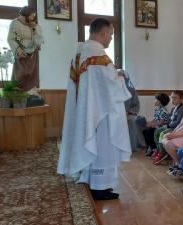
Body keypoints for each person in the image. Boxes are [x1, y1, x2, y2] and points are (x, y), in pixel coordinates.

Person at [57, 18, 130, 200]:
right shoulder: (99, 56)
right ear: (102, 33)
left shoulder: (79, 54)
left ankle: (90, 178)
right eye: (111, 35)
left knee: (89, 142)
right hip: (100, 113)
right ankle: (99, 186)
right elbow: (108, 87)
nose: (111, 39)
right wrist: (119, 78)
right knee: (103, 146)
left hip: (84, 111)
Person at [7, 6, 43, 91]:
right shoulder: (15, 23)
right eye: (31, 16)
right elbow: (11, 38)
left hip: (33, 54)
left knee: (32, 74)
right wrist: (17, 49)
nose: (32, 18)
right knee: (21, 74)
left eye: (33, 16)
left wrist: (34, 28)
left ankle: (31, 91)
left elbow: (39, 39)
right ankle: (19, 92)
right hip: (21, 53)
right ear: (25, 15)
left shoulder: (33, 24)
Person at [152, 91, 183, 164]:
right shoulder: (174, 108)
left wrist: (169, 125)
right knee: (157, 131)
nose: (173, 100)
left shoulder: (182, 110)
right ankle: (159, 150)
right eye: (172, 98)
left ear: (181, 99)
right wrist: (167, 121)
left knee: (162, 133)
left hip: (176, 129)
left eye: (175, 98)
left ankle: (162, 153)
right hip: (171, 126)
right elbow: (170, 118)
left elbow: (178, 122)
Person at [118, 69, 144, 152]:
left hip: (128, 114)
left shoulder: (131, 90)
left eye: (122, 77)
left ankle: (131, 147)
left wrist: (128, 112)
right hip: (115, 114)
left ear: (126, 79)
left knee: (131, 121)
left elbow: (136, 105)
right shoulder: (111, 90)